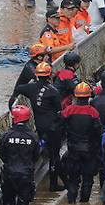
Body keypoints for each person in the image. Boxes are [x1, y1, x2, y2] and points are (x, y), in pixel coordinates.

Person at [10, 62, 66, 191]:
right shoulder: (53, 91)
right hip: (53, 127)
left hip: (40, 127)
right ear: (49, 75)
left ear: (37, 75)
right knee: (54, 155)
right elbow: (58, 111)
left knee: (44, 150)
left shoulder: (30, 88)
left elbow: (18, 88)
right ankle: (53, 184)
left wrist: (13, 98)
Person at [0, 105, 41, 205]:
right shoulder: (32, 137)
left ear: (14, 119)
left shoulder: (7, 135)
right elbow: (36, 155)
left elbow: (1, 153)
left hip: (9, 173)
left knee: (8, 200)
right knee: (24, 202)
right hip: (26, 175)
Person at [61, 82, 102, 204]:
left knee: (73, 179)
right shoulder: (93, 112)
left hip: (73, 150)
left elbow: (60, 126)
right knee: (88, 180)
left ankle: (71, 202)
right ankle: (84, 204)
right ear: (89, 96)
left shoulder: (68, 111)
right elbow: (98, 132)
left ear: (76, 96)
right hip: (89, 151)